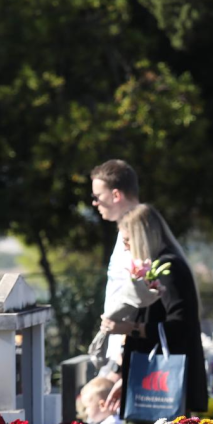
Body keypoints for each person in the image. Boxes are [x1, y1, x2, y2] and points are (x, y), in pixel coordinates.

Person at [102, 204, 209, 424]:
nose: (126, 246)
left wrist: (128, 328)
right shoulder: (161, 267)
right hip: (150, 379)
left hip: (160, 383)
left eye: (128, 240)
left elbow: (180, 326)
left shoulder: (168, 268)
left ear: (143, 237)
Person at [90, 160, 141, 377]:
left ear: (116, 196)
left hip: (128, 352)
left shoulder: (137, 233)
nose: (94, 203)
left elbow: (141, 294)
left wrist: (120, 359)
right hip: (121, 351)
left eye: (97, 197)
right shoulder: (127, 230)